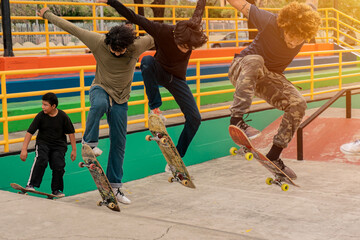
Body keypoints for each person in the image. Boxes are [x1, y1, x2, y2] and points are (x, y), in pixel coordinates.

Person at [38, 7, 154, 204]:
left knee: (119, 142)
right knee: (99, 104)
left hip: (121, 98)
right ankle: (89, 142)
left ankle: (115, 187)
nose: (117, 53)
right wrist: (47, 14)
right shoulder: (98, 42)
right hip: (100, 88)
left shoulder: (137, 45)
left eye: (121, 50)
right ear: (108, 43)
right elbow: (72, 28)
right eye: (114, 50)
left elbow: (158, 34)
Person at [98, 0, 207, 158]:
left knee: (195, 118)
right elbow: (134, 17)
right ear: (176, 37)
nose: (186, 50)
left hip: (177, 79)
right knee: (147, 60)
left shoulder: (192, 28)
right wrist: (111, 1)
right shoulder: (162, 30)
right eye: (184, 46)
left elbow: (199, 10)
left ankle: (177, 156)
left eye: (189, 48)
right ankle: (156, 109)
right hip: (159, 71)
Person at [226, 0, 321, 178]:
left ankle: (274, 156)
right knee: (256, 61)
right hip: (242, 68)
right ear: (284, 26)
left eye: (299, 39)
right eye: (291, 36)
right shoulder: (270, 21)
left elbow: (312, 3)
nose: (293, 42)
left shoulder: (306, 25)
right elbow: (241, 5)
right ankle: (236, 120)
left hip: (268, 77)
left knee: (298, 104)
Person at [20, 92, 76, 197]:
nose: (43, 107)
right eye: (42, 104)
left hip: (59, 146)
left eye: (45, 105)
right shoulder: (41, 116)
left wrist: (74, 150)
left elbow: (71, 133)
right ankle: (31, 184)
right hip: (43, 143)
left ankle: (56, 190)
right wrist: (24, 149)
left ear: (53, 106)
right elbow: (30, 132)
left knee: (58, 166)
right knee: (42, 159)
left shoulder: (63, 116)